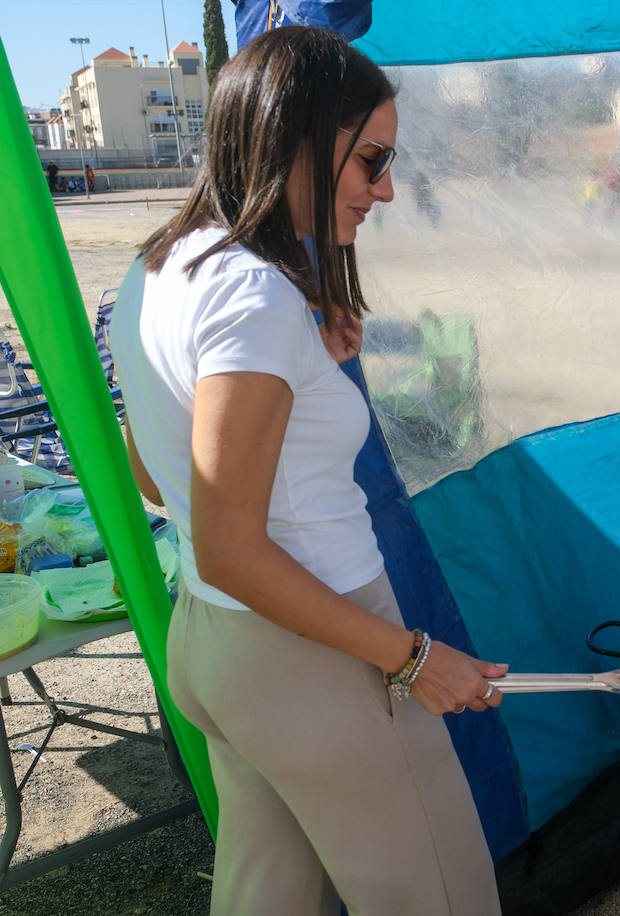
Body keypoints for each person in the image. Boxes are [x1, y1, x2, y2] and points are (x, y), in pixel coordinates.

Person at [107, 26, 504, 916]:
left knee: (268, 899)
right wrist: (413, 658)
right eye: (371, 160)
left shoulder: (160, 267)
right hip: (314, 656)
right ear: (294, 138)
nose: (387, 188)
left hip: (215, 649)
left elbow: (152, 473)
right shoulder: (254, 296)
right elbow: (234, 547)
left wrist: (302, 367)